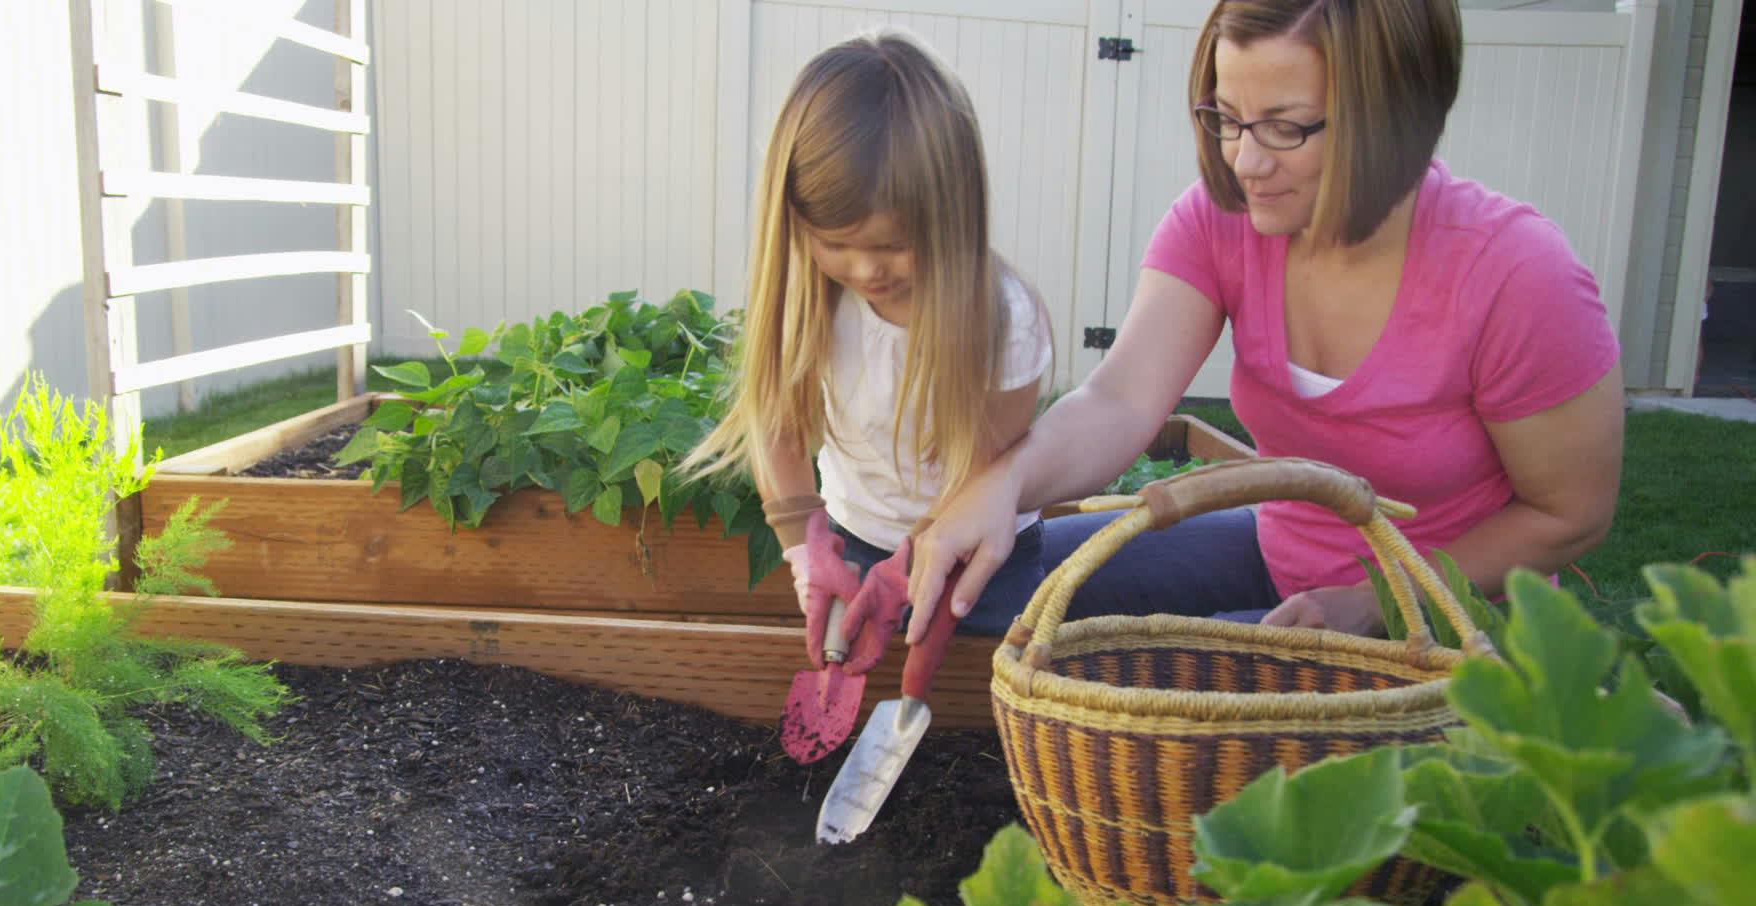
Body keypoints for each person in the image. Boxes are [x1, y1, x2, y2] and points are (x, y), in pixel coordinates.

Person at [904, 0, 1624, 644]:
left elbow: (1569, 515)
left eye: (1284, 127)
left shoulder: (1517, 274)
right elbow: (1120, 400)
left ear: (1395, 117)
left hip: (1451, 617)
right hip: (1277, 550)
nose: (1245, 161)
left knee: (1139, 684)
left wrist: (1374, 600)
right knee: (1002, 593)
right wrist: (1005, 484)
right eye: (1227, 118)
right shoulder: (1220, 220)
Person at [681, 29, 1054, 649]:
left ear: (952, 216)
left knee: (979, 690)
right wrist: (806, 547)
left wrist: (909, 568)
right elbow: (778, 426)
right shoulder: (810, 296)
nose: (866, 270)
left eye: (893, 246)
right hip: (855, 538)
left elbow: (984, 477)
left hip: (982, 559)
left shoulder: (1005, 319)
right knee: (851, 670)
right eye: (836, 244)